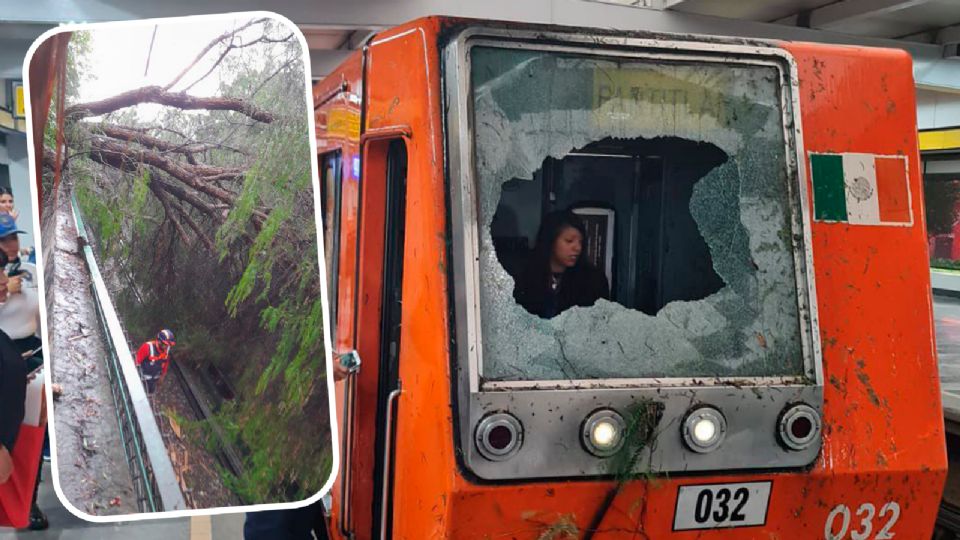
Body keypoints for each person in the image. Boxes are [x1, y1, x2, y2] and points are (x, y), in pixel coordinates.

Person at [513, 209, 610, 318]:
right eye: (569, 241)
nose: (577, 248)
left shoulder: (594, 280)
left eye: (580, 242)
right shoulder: (524, 277)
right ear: (551, 240)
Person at [135, 329, 175, 394]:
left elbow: (165, 364)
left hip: (154, 379)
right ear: (159, 341)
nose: (167, 347)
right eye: (166, 344)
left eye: (169, 345)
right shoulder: (147, 347)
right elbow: (137, 362)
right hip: (142, 378)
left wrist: (162, 376)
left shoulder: (166, 351)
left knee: (150, 392)